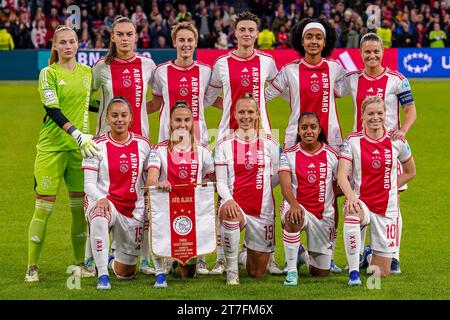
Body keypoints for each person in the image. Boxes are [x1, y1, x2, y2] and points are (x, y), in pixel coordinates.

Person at [265, 17, 346, 272]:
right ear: (302, 41)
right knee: (283, 191)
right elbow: (264, 96)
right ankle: (291, 248)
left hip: (330, 142)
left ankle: (327, 254)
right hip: (294, 142)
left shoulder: (335, 69)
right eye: (309, 37)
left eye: (318, 37)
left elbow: (347, 91)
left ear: (325, 42)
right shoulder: (290, 70)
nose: (313, 41)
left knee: (331, 196)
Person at [205, 11, 282, 276]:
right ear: (234, 33)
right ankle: (221, 257)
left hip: (263, 136)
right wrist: (231, 108)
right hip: (227, 134)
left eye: (251, 29)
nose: (247, 34)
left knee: (266, 191)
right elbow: (210, 96)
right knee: (223, 194)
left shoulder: (268, 62)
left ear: (257, 33)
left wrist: (255, 107)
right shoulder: (222, 63)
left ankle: (268, 254)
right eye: (242, 30)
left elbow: (275, 88)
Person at [336, 32, 417, 274]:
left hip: (388, 150)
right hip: (359, 151)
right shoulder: (352, 80)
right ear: (360, 54)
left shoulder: (397, 79)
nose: (372, 55)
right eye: (367, 52)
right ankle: (359, 254)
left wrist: (402, 131)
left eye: (376, 51)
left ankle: (393, 256)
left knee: (392, 204)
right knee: (357, 200)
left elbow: (411, 110)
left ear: (383, 52)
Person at [25, 25, 99, 282]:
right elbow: (53, 110)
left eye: (72, 41)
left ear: (78, 44)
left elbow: (88, 104)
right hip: (52, 149)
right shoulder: (48, 73)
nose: (68, 46)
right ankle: (32, 266)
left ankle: (79, 263)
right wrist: (78, 134)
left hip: (79, 152)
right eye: (63, 43)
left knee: (79, 210)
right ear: (55, 46)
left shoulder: (87, 73)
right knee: (43, 208)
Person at [147, 22, 221, 274]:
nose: (186, 44)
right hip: (167, 140)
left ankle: (199, 255)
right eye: (181, 40)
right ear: (174, 42)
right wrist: (129, 110)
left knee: (198, 195)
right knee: (167, 194)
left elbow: (212, 99)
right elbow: (156, 103)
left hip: (198, 140)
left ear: (196, 42)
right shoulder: (161, 72)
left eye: (190, 40)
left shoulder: (206, 71)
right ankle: (167, 251)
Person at [91, 16, 156, 275]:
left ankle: (147, 259)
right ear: (113, 37)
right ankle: (93, 257)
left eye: (129, 34)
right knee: (101, 201)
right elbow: (88, 98)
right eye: (120, 34)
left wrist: (138, 113)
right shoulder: (101, 67)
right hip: (106, 146)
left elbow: (159, 100)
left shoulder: (148, 65)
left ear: (136, 36)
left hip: (140, 144)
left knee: (144, 201)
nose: (125, 38)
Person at [337, 95, 416, 286]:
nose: (375, 117)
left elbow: (410, 172)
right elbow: (342, 175)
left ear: (385, 114)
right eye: (370, 113)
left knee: (380, 274)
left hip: (386, 209)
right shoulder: (352, 141)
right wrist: (351, 197)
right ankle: (354, 273)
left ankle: (370, 256)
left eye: (379, 113)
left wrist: (388, 187)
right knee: (351, 210)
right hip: (363, 202)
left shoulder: (397, 141)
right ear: (362, 116)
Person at [82, 97, 152, 290]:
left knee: (125, 273)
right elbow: (88, 184)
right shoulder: (95, 145)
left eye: (123, 115)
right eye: (114, 115)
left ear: (131, 119)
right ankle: (103, 275)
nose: (119, 119)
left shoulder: (143, 144)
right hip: (107, 201)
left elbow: (151, 174)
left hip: (133, 209)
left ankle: (113, 260)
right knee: (99, 214)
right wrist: (101, 198)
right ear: (107, 118)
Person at [146, 101, 216, 288]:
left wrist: (208, 185)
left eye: (187, 120)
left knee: (188, 275)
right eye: (178, 120)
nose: (182, 125)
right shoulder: (158, 150)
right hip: (166, 213)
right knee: (154, 212)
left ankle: (177, 260)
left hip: (192, 214)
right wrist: (160, 183)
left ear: (193, 123)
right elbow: (150, 182)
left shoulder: (203, 151)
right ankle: (162, 269)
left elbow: (216, 181)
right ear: (170, 123)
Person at [215, 94, 280, 285]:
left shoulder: (270, 143)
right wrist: (228, 200)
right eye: (241, 112)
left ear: (258, 114)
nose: (246, 116)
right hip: (236, 206)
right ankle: (232, 271)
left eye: (250, 112)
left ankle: (244, 255)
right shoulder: (224, 144)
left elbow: (277, 176)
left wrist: (262, 184)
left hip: (263, 210)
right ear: (234, 114)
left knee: (257, 272)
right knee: (229, 214)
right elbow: (220, 181)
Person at [279, 112, 339, 286]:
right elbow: (285, 186)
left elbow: (341, 183)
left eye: (313, 127)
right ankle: (291, 272)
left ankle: (301, 255)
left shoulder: (332, 155)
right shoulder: (288, 154)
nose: (308, 131)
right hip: (299, 207)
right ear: (298, 131)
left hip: (323, 216)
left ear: (319, 130)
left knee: (321, 273)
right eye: (304, 127)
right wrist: (294, 204)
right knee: (293, 216)